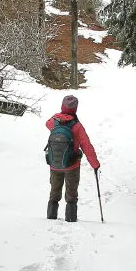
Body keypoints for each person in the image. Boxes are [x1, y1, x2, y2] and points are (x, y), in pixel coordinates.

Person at [45, 94, 100, 222]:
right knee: (71, 194)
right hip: (72, 165)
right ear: (75, 109)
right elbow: (87, 146)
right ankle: (70, 219)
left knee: (54, 191)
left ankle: (51, 217)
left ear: (62, 106)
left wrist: (60, 115)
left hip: (55, 163)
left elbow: (47, 124)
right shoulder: (77, 126)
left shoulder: (54, 121)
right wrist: (95, 165)